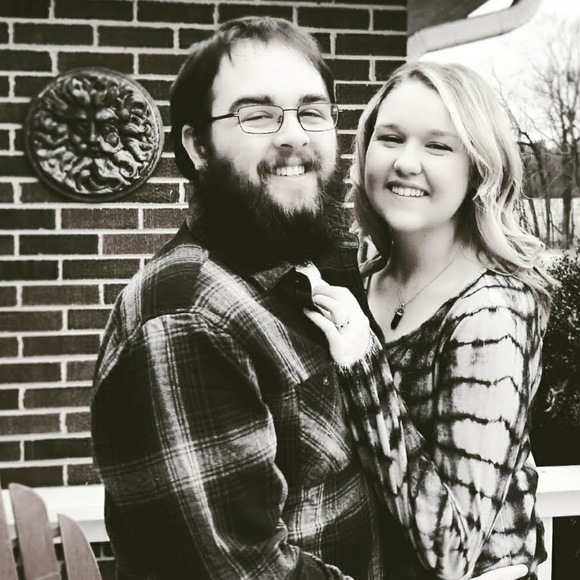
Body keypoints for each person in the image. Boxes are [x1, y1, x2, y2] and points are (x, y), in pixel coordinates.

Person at [91, 16, 531, 580]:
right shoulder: (186, 317)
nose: (294, 135)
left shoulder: (313, 277)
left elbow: (466, 504)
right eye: (257, 114)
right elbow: (247, 570)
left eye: (312, 111)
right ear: (198, 145)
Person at [305, 61, 553, 579]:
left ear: (478, 167)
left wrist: (364, 366)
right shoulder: (361, 278)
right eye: (391, 138)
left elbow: (454, 551)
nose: (406, 163)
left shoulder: (489, 312)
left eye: (438, 146)